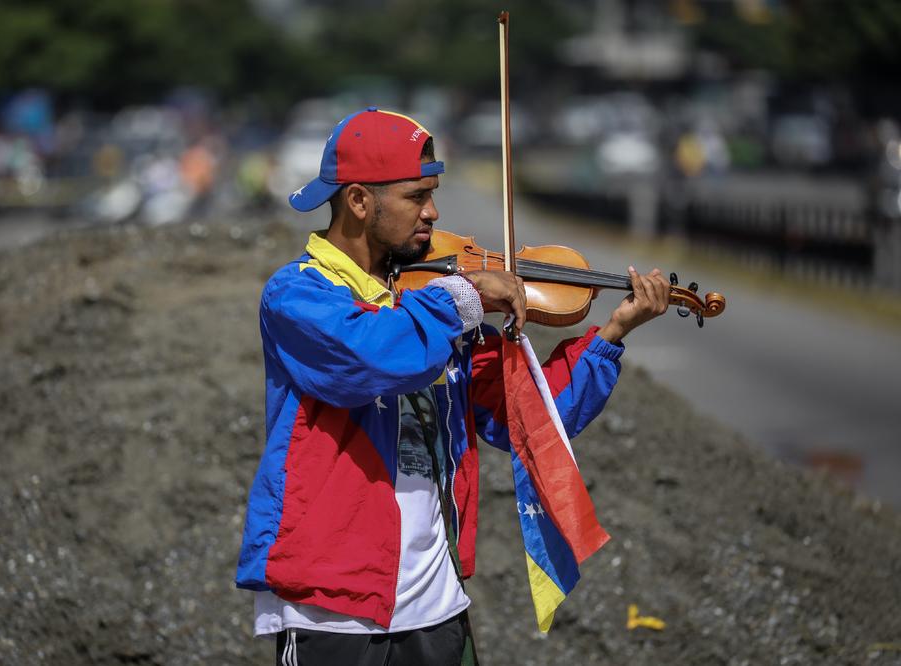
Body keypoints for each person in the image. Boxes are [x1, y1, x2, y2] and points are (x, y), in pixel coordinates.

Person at [235, 107, 671, 665]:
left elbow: (528, 420)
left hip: (438, 606)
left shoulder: (434, 305)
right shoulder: (297, 296)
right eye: (417, 196)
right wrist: (462, 299)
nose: (434, 212)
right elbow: (374, 356)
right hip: (331, 610)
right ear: (360, 201)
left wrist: (612, 334)